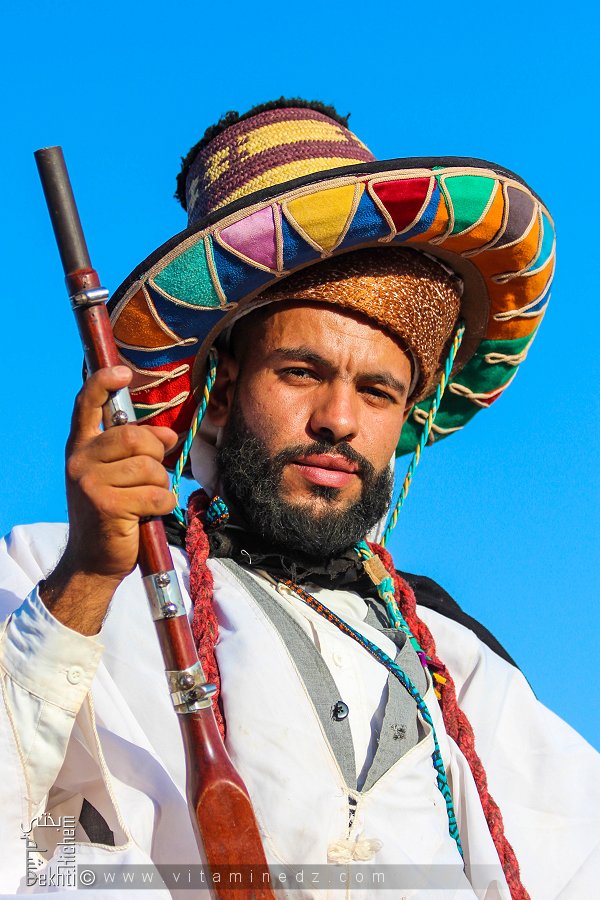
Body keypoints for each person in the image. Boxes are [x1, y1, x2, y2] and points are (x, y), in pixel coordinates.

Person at [0, 99, 597, 898]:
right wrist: (81, 586)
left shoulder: (457, 660)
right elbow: (36, 841)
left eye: (378, 391)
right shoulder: (62, 581)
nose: (339, 421)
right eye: (301, 372)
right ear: (219, 393)